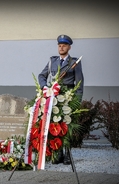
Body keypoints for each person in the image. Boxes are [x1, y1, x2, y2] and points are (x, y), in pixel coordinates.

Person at [38, 34, 84, 165]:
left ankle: (68, 154)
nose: (61, 47)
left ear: (69, 47)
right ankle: (58, 153)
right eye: (59, 45)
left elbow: (79, 82)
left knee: (67, 125)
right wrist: (45, 87)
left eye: (64, 45)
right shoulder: (52, 61)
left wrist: (77, 100)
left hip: (68, 96)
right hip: (54, 96)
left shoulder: (74, 62)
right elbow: (42, 75)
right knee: (55, 125)